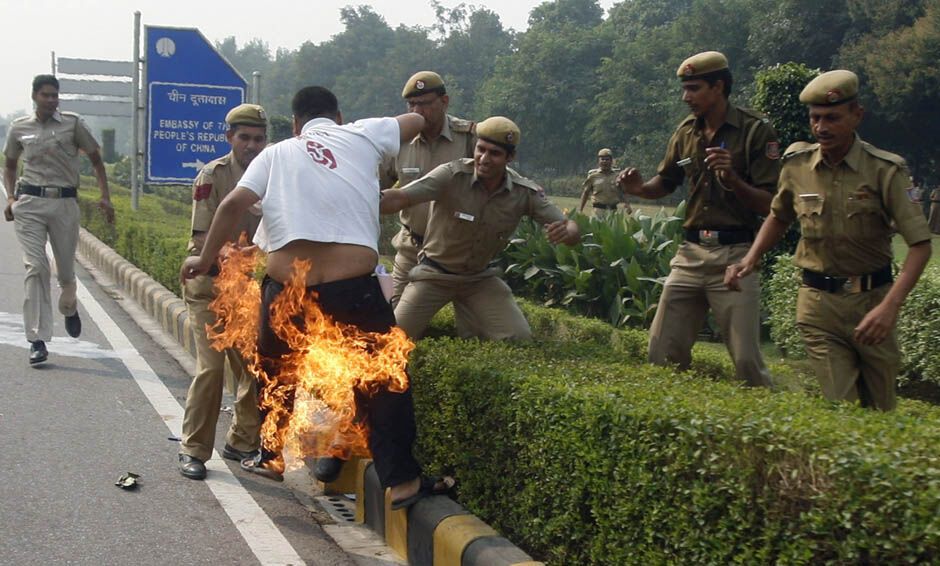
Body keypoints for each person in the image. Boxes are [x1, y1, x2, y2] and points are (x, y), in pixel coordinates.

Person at [181, 86, 448, 508]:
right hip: (352, 290)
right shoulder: (362, 134)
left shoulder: (275, 154)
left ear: (294, 124)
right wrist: (420, 116)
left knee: (276, 373)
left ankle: (270, 456)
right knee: (384, 383)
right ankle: (402, 482)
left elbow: (232, 204)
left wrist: (203, 259)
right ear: (338, 118)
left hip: (287, 292)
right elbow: (417, 121)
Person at [726, 70, 932, 411]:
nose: (822, 127)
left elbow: (921, 246)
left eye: (833, 118)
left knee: (881, 410)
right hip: (818, 306)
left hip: (872, 302)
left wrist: (889, 308)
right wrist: (751, 258)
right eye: (815, 118)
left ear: (857, 115)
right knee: (843, 408)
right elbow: (779, 215)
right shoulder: (797, 165)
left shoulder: (885, 170)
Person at [617, 51, 779, 387]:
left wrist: (733, 179)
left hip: (735, 257)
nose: (685, 97)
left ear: (718, 87)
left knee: (747, 362)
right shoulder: (685, 132)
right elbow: (665, 183)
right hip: (690, 255)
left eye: (693, 88)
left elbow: (770, 204)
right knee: (661, 352)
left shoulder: (754, 131)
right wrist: (638, 189)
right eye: (685, 88)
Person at [381, 116, 581, 340]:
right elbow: (400, 197)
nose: (484, 159)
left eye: (494, 153)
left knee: (518, 338)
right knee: (395, 340)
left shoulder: (523, 192)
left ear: (510, 157)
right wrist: (363, 200)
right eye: (480, 149)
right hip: (435, 275)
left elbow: (570, 228)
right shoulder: (451, 175)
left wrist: (568, 232)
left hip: (478, 279)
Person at [178, 104, 267, 481]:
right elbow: (202, 242)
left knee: (258, 368)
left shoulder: (275, 175)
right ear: (229, 137)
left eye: (258, 138)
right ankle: (194, 449)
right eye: (243, 137)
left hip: (247, 288)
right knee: (212, 370)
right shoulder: (212, 176)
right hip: (209, 284)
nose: (251, 145)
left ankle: (242, 441)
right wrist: (242, 253)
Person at [3, 74, 114, 365]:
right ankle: (37, 339)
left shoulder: (72, 123)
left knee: (65, 271)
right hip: (30, 203)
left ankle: (69, 306)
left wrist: (105, 197)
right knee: (36, 267)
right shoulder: (19, 128)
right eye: (46, 95)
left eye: (55, 95)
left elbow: (96, 159)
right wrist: (11, 198)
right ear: (34, 96)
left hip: (65, 203)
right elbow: (10, 165)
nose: (51, 100)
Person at [380, 71, 477, 310]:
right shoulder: (399, 141)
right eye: (412, 104)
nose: (417, 112)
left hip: (457, 253)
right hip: (412, 248)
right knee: (393, 324)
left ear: (444, 102)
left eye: (424, 104)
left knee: (476, 328)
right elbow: (374, 186)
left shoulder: (468, 139)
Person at [579, 148, 631, 217]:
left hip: (613, 211)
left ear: (611, 161)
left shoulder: (617, 176)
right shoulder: (593, 175)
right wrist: (580, 209)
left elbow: (622, 192)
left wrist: (627, 204)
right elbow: (585, 193)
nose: (604, 162)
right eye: (602, 159)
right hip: (598, 211)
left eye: (607, 159)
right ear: (599, 161)